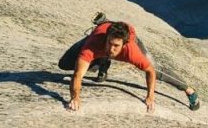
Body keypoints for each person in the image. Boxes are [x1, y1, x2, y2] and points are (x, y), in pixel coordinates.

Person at [57, 17, 200, 113]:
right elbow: (77, 76)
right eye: (110, 43)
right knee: (65, 64)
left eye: (116, 46)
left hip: (128, 39)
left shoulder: (131, 50)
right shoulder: (94, 44)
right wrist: (75, 96)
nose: (111, 48)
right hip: (98, 36)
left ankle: (189, 90)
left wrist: (150, 96)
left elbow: (150, 71)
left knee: (157, 70)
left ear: (124, 45)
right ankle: (103, 59)